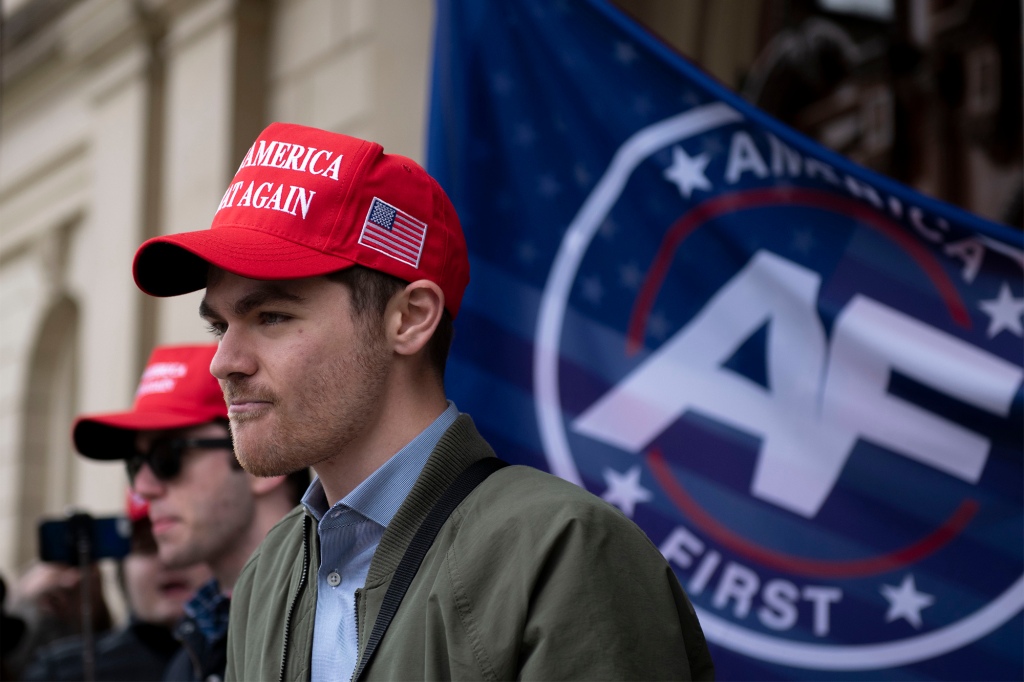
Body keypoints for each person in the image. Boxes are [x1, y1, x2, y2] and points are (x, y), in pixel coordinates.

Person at [131, 122, 715, 681]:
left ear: (409, 319)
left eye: (272, 316)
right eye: (219, 326)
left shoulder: (566, 552)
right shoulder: (269, 573)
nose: (223, 362)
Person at [72, 343, 310, 681]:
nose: (142, 487)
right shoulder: (193, 648)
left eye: (166, 457)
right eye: (135, 464)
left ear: (260, 462)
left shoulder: (338, 617)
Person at [21, 492, 211, 682]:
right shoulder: (62, 673)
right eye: (146, 545)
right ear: (121, 570)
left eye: (183, 542)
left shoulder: (238, 657)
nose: (167, 560)